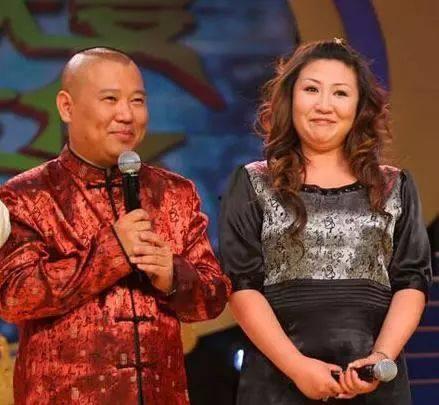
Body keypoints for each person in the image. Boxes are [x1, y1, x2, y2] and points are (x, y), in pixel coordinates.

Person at [0, 47, 231, 405]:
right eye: (110, 99)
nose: (126, 114)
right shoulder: (26, 195)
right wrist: (110, 252)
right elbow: (14, 297)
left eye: (137, 101)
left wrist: (173, 276)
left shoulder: (174, 193)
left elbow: (213, 297)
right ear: (66, 107)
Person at [219, 39, 431, 404]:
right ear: (290, 99)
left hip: (372, 382)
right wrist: (297, 367)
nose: (324, 106)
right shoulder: (253, 182)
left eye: (340, 93)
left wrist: (380, 358)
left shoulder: (394, 186)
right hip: (277, 379)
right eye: (311, 90)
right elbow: (241, 284)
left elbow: (411, 280)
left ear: (360, 107)